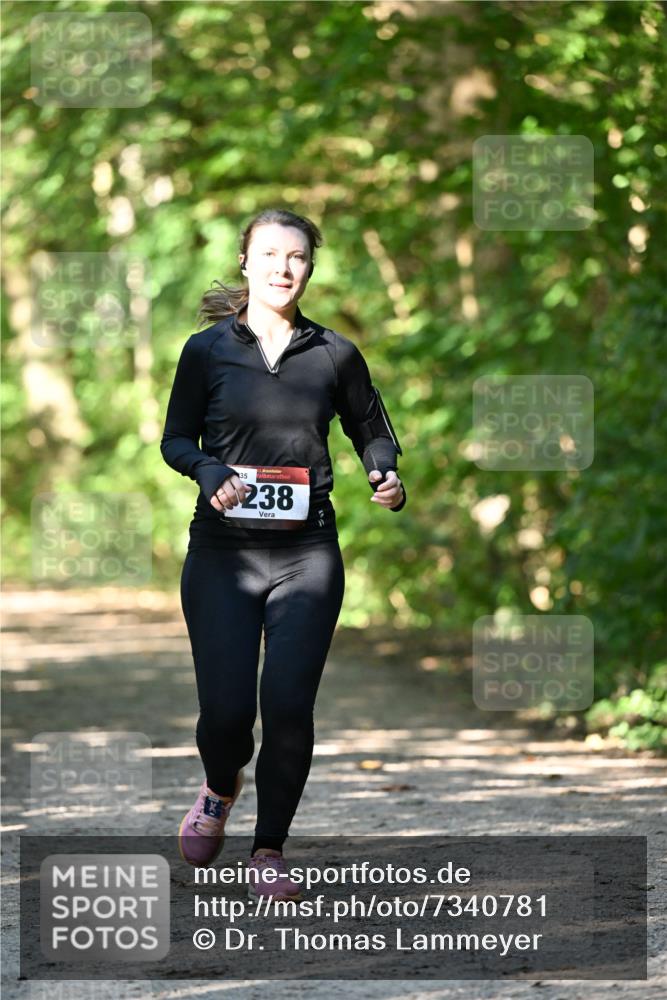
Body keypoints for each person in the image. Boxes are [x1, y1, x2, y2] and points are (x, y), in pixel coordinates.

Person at [160, 208, 406, 902]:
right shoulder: (205, 351)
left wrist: (383, 474)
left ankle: (268, 850)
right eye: (269, 254)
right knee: (228, 715)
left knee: (289, 704)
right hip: (222, 556)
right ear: (245, 262)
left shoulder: (334, 354)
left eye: (296, 256)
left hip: (307, 552)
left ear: (309, 269)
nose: (282, 267)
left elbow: (372, 430)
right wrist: (208, 472)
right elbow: (175, 440)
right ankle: (217, 786)